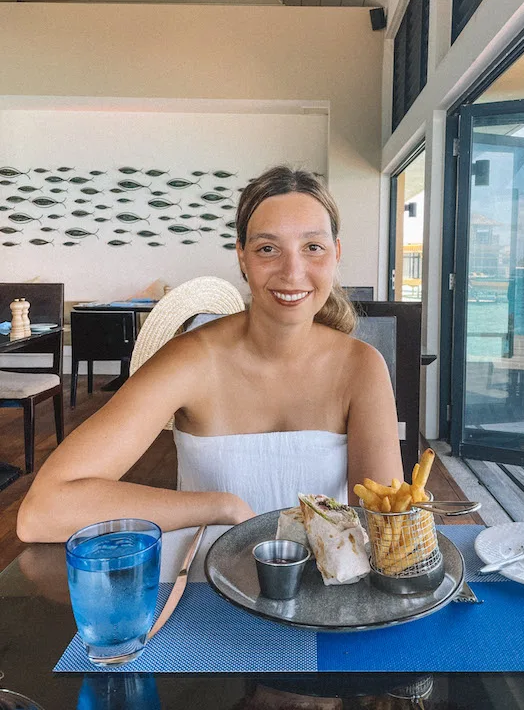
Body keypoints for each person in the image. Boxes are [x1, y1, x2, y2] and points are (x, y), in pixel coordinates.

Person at [17, 166, 402, 543]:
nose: (292, 270)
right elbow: (42, 512)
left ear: (335, 254)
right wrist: (219, 506)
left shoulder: (361, 367)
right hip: (205, 596)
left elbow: (387, 527)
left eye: (312, 247)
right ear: (242, 257)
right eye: (268, 248)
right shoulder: (192, 359)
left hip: (325, 597)